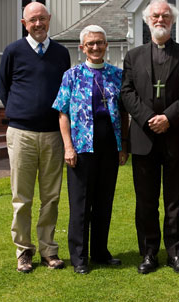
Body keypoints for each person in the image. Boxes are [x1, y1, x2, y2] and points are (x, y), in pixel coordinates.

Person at [121, 0, 179, 274]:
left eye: (165, 16)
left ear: (173, 20)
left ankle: (176, 254)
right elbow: (127, 92)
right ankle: (149, 254)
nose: (160, 20)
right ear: (147, 20)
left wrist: (168, 117)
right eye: (155, 15)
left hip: (176, 136)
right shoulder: (133, 57)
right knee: (145, 201)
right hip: (144, 139)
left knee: (175, 201)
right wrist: (147, 118)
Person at [0, 2, 71, 273]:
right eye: (32, 20)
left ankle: (48, 250)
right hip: (22, 134)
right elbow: (3, 86)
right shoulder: (13, 51)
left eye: (42, 19)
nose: (38, 24)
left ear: (49, 19)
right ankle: (23, 251)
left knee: (51, 197)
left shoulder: (61, 53)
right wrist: (21, 111)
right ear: (23, 23)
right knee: (22, 197)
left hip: (53, 134)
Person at [53, 25, 128, 274]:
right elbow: (63, 113)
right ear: (82, 47)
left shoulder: (117, 75)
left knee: (104, 202)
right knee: (81, 204)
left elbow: (123, 113)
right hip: (82, 148)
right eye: (90, 43)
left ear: (106, 46)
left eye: (100, 43)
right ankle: (79, 256)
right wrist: (68, 147)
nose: (96, 47)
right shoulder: (71, 75)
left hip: (109, 146)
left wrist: (122, 146)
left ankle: (100, 252)